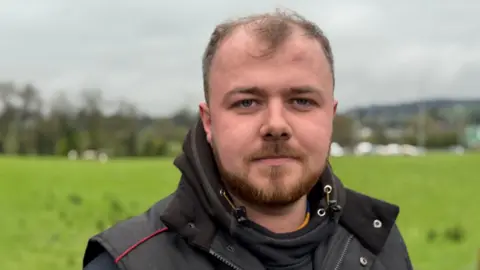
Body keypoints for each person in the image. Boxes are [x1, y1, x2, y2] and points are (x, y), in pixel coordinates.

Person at [83, 9, 413, 270]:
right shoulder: (128, 263)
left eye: (301, 101)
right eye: (247, 102)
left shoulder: (378, 244)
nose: (275, 125)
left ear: (330, 115)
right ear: (209, 122)